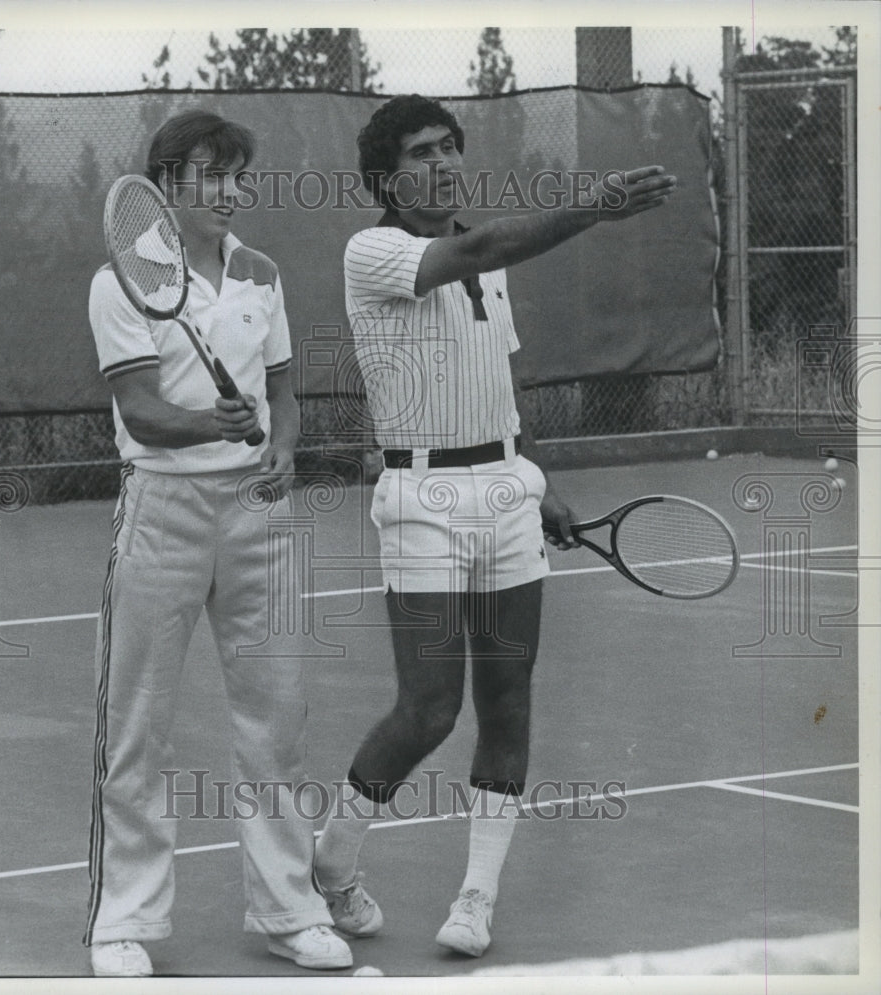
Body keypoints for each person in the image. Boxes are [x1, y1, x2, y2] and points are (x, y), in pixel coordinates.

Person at [311, 94, 677, 957]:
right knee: (430, 709)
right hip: (421, 501)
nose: (442, 163)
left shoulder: (489, 266)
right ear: (386, 175)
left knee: (507, 703)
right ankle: (330, 858)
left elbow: (499, 382)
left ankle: (476, 896)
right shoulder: (374, 252)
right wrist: (595, 206)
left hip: (507, 491)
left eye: (450, 147)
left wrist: (534, 478)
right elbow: (479, 244)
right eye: (421, 153)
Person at [83, 109, 352, 976]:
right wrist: (207, 419)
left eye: (240, 176)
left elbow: (282, 387)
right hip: (161, 510)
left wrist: (283, 443)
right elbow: (141, 411)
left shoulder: (262, 273)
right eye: (213, 175)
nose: (232, 191)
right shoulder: (119, 282)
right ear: (168, 185)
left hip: (255, 513)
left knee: (276, 716)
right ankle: (123, 921)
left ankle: (289, 909)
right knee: (139, 721)